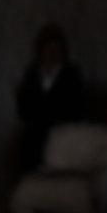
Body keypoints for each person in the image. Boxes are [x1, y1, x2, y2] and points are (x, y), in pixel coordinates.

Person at [15, 22, 84, 172]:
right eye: (48, 50)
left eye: (56, 50)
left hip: (61, 137)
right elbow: (23, 106)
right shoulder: (32, 75)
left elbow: (75, 107)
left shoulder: (71, 76)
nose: (52, 54)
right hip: (33, 138)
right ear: (41, 52)